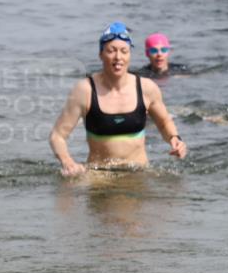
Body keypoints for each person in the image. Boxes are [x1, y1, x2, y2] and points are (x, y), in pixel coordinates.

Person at [49, 22, 187, 176]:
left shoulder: (147, 88)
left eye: (124, 51)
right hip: (100, 176)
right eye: (111, 51)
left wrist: (174, 138)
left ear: (129, 55)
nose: (118, 57)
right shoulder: (85, 90)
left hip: (139, 173)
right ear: (101, 54)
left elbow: (164, 122)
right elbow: (57, 136)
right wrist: (68, 162)